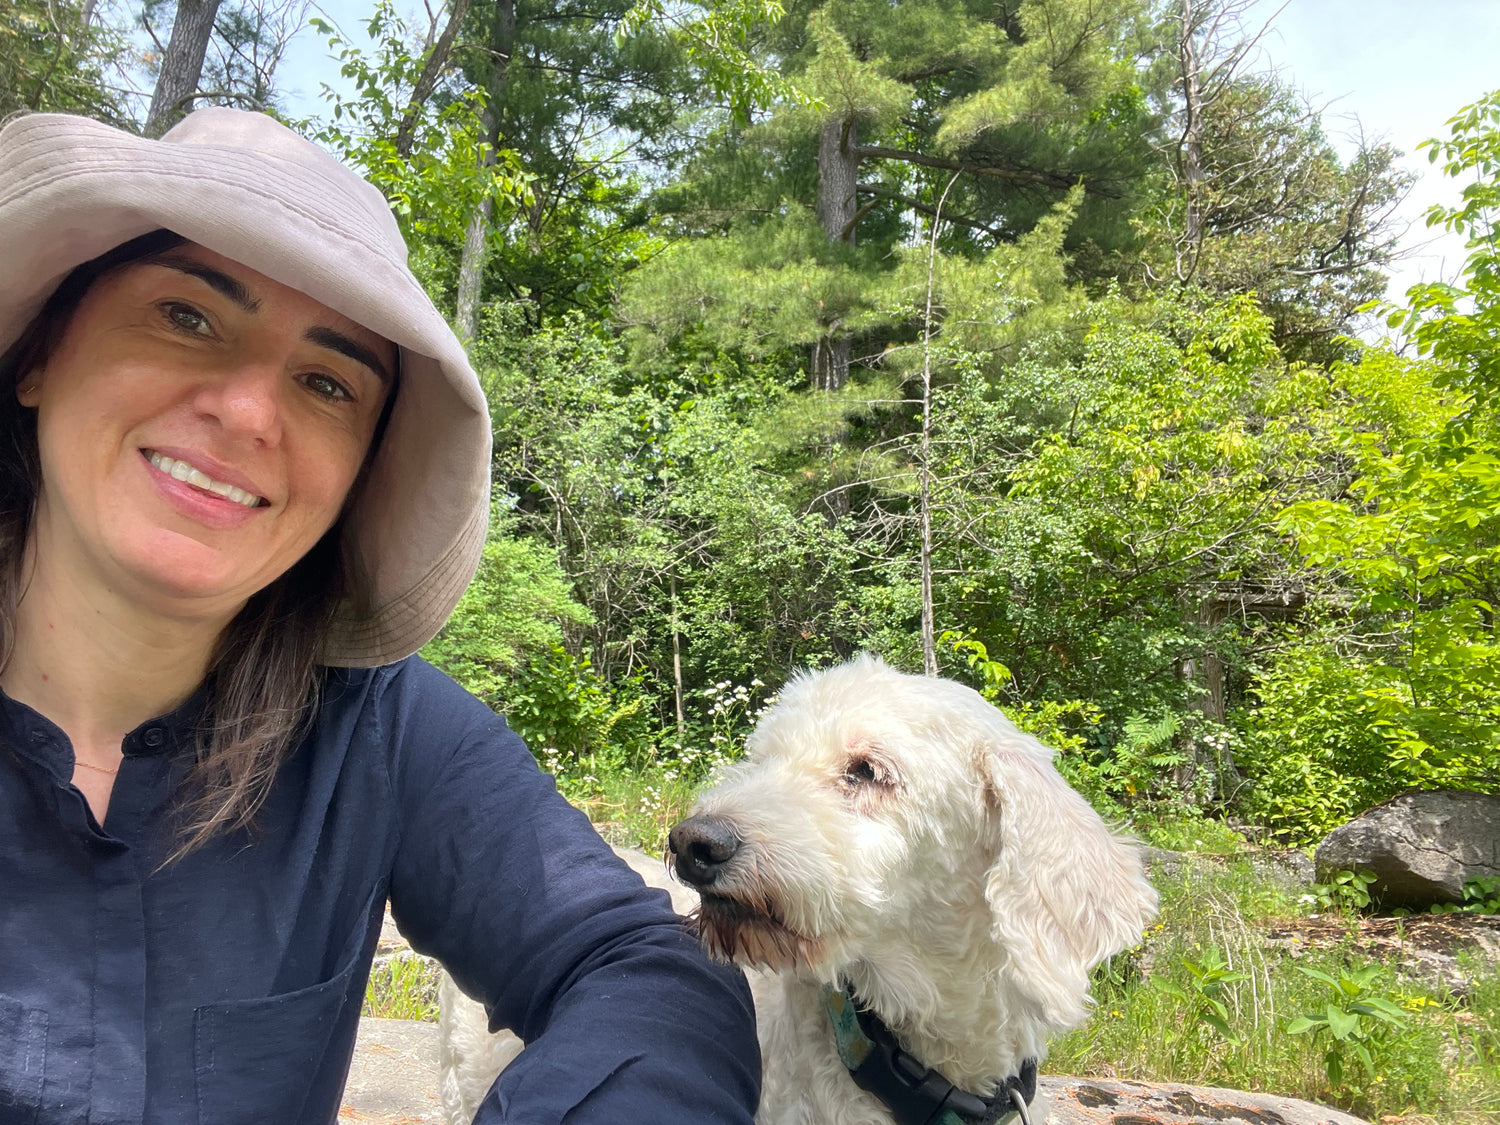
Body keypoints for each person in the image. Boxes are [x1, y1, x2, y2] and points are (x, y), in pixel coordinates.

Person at [0, 108, 759, 1124]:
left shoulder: (379, 730)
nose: (250, 412)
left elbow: (644, 970)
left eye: (325, 382)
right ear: (41, 354)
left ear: (356, 476)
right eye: (187, 315)